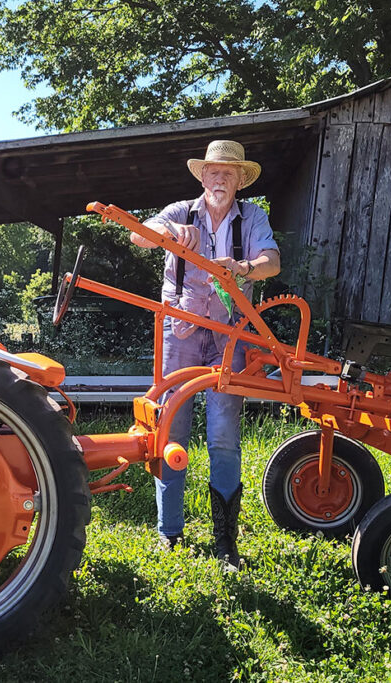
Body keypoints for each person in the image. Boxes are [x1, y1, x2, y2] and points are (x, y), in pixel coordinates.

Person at [130, 140, 281, 570]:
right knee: (171, 427)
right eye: (214, 171)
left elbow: (272, 260)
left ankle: (225, 542)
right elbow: (139, 234)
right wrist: (172, 235)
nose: (220, 179)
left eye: (229, 173)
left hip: (230, 337)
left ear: (239, 181)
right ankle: (169, 532)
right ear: (202, 176)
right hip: (181, 332)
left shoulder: (252, 217)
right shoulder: (181, 212)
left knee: (222, 435)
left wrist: (246, 268)